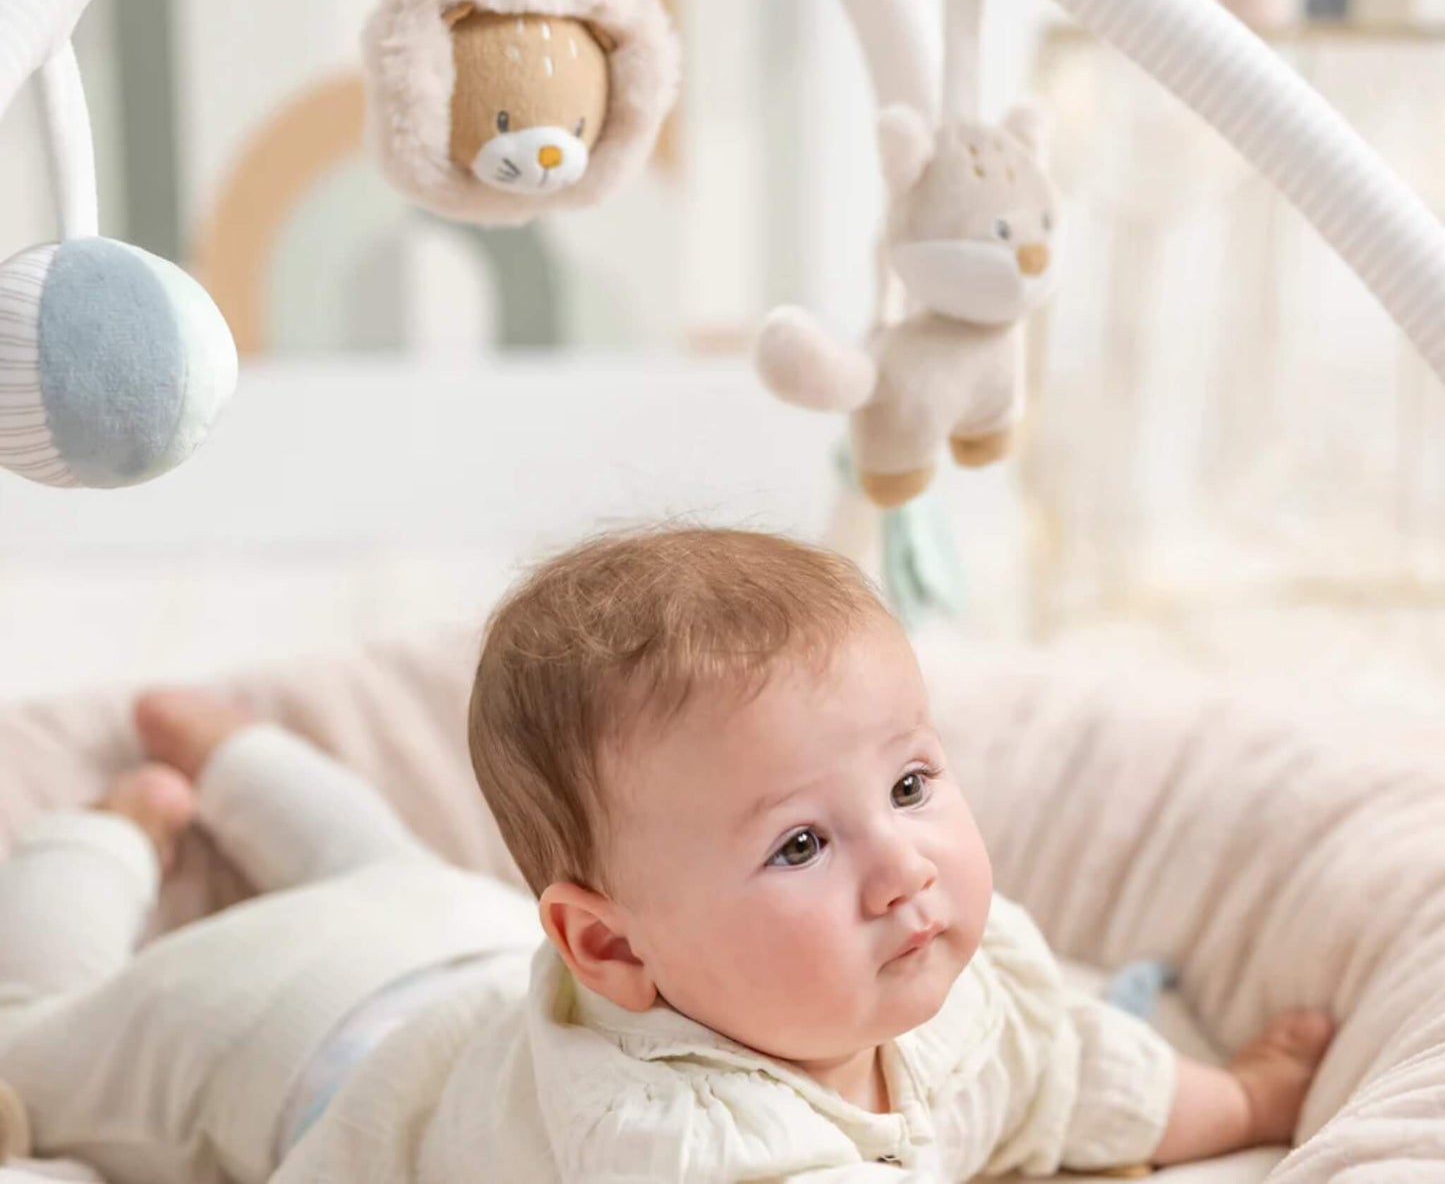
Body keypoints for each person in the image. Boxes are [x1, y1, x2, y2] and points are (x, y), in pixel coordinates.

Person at [0, 527, 1333, 1183]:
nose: (902, 866)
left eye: (913, 782)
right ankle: (113, 829)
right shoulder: (680, 1150)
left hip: (445, 934)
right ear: (611, 945)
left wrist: (1245, 1100)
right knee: (34, 1039)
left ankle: (233, 753)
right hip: (281, 1042)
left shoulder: (946, 987)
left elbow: (1074, 1068)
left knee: (381, 864)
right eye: (802, 842)